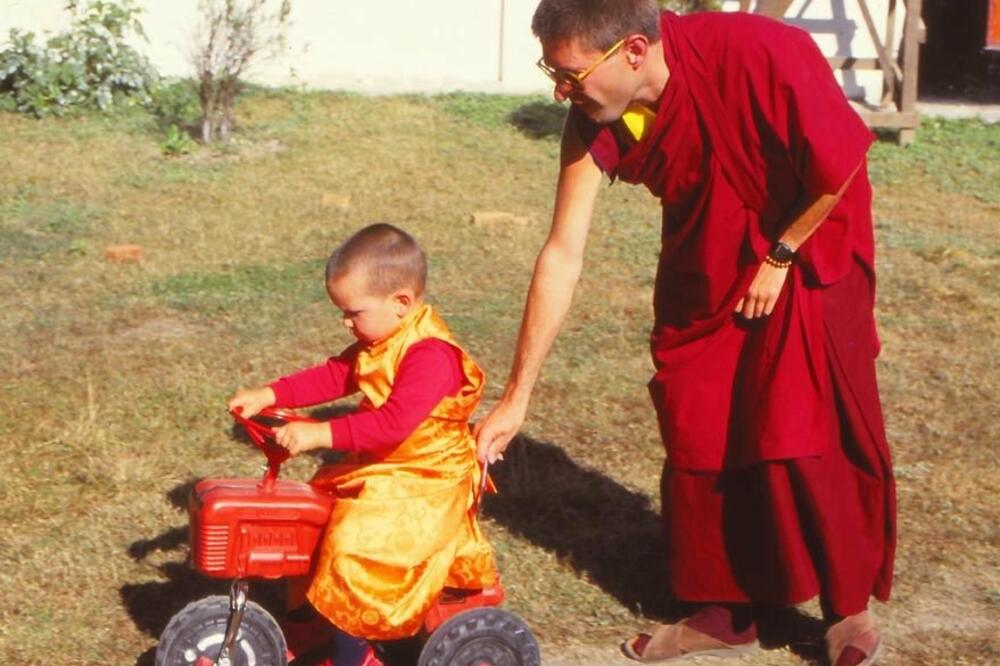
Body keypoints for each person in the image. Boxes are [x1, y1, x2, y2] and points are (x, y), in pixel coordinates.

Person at [473, 2, 896, 665]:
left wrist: (781, 255)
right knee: (697, 417)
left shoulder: (761, 50)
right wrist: (516, 396)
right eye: (551, 72)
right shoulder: (591, 122)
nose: (560, 90)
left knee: (801, 427)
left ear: (634, 50)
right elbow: (562, 253)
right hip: (707, 260)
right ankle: (723, 612)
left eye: (571, 74)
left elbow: (840, 157)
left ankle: (846, 607)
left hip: (809, 249)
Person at [229, 223, 496, 666]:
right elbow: (334, 375)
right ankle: (309, 625)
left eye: (353, 312)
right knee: (312, 517)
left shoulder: (431, 356)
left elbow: (392, 424)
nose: (345, 322)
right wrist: (270, 394)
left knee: (353, 543)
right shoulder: (381, 339)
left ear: (401, 303)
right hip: (388, 467)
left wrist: (319, 433)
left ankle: (356, 654)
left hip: (426, 479)